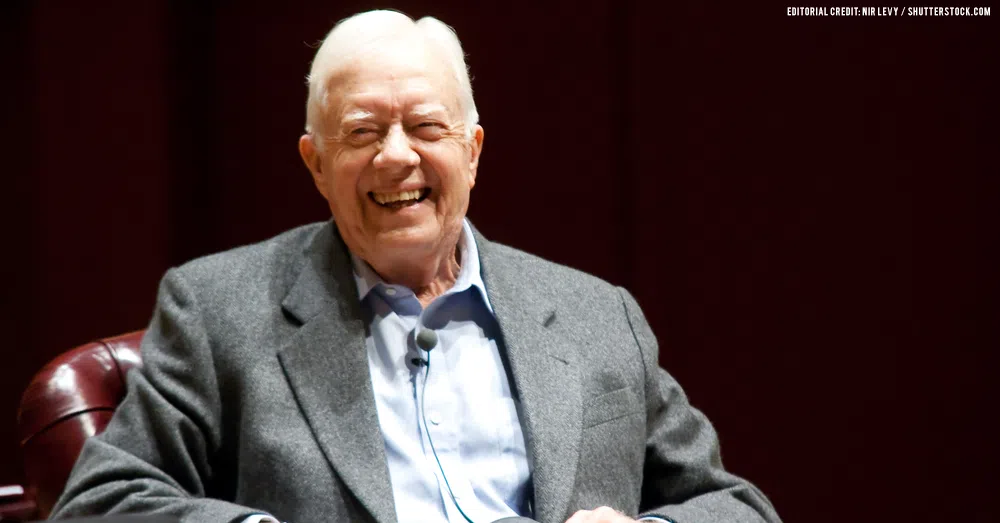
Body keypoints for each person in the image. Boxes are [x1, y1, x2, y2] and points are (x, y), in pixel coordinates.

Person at [52, 10, 780, 523]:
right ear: (316, 164)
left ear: (473, 150)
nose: (396, 156)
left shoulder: (598, 314)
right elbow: (100, 503)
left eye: (427, 126)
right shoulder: (218, 309)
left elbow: (737, 507)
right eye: (362, 132)